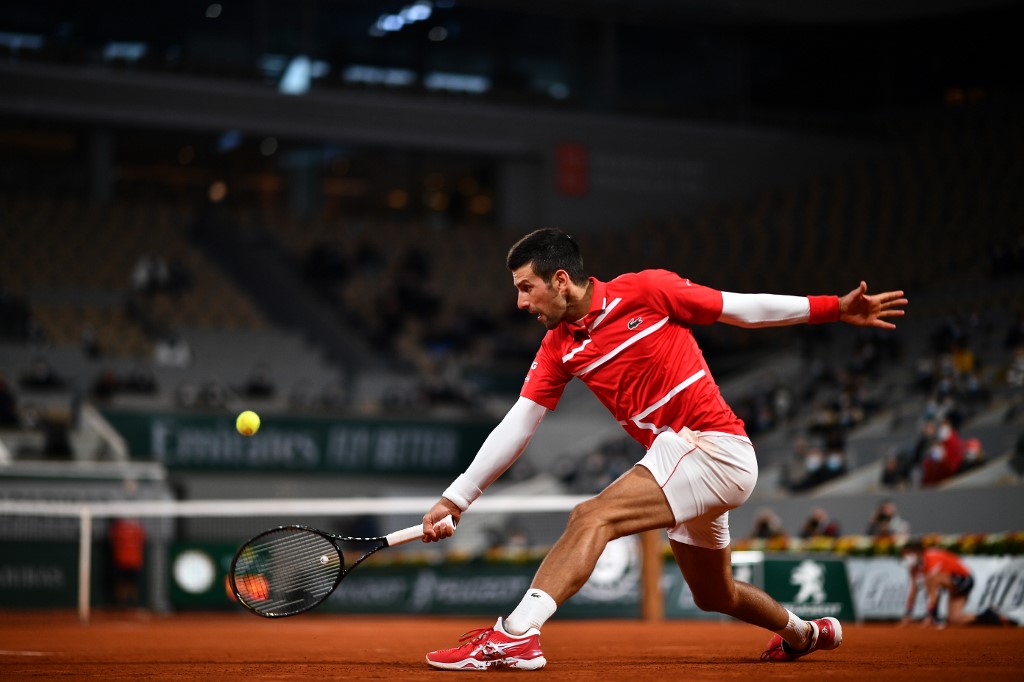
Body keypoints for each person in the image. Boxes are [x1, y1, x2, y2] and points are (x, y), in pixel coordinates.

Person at [419, 228, 908, 669]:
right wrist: (456, 498)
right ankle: (803, 633)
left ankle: (517, 635)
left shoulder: (646, 290)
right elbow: (517, 425)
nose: (521, 302)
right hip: (684, 461)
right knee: (714, 594)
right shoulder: (558, 347)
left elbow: (740, 308)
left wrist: (834, 308)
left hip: (712, 447)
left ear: (561, 279)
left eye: (526, 287)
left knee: (592, 516)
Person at [900, 539, 1015, 627]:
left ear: (918, 552)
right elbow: (913, 589)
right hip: (952, 584)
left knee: (932, 580)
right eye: (904, 555)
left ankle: (933, 616)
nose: (906, 557)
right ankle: (988, 615)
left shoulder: (931, 558)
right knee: (954, 620)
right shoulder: (914, 567)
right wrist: (908, 614)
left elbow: (933, 590)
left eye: (908, 554)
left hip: (964, 579)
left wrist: (929, 615)